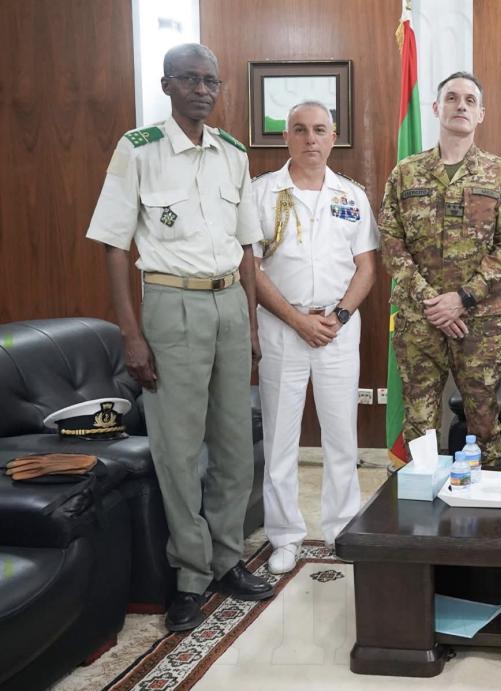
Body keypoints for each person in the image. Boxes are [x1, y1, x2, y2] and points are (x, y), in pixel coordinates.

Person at [85, 43, 272, 632]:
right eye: (190, 79)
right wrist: (131, 334)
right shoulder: (138, 149)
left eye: (210, 81)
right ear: (166, 85)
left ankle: (227, 560)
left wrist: (251, 323)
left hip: (229, 304)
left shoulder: (233, 153)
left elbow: (247, 247)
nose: (202, 90)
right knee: (179, 450)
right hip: (171, 304)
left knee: (234, 445)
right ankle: (190, 577)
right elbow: (114, 246)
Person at [252, 101, 378, 574]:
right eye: (301, 130)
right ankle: (285, 537)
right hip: (282, 328)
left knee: (341, 436)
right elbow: (252, 268)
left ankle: (342, 528)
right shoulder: (262, 192)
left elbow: (366, 267)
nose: (310, 139)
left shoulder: (352, 195)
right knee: (280, 440)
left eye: (320, 130)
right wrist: (296, 319)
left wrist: (338, 316)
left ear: (333, 137)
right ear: (286, 137)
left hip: (336, 329)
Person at [379, 71, 501, 469]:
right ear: (436, 108)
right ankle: (421, 500)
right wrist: (434, 303)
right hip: (419, 320)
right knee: (419, 422)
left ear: (481, 114)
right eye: (452, 98)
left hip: (480, 321)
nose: (461, 105)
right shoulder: (405, 173)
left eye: (470, 100)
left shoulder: (500, 174)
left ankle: (487, 499)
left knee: (484, 419)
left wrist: (461, 299)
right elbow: (391, 244)